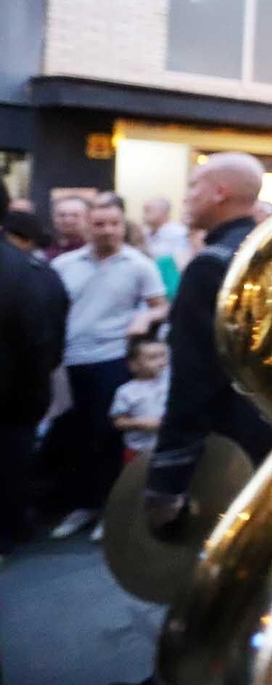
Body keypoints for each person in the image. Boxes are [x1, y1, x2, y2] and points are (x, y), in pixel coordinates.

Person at [145, 152, 272, 536]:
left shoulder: (209, 264)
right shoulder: (264, 251)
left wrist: (168, 477)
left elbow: (193, 379)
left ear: (219, 192)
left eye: (193, 186)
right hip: (266, 430)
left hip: (224, 441)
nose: (186, 197)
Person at [47, 194, 167, 540]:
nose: (106, 230)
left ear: (123, 225)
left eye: (113, 224)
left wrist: (146, 316)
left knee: (108, 438)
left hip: (112, 359)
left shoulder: (139, 264)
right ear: (87, 225)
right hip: (70, 360)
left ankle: (108, 510)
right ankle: (82, 506)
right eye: (99, 224)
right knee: (75, 437)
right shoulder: (64, 265)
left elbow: (160, 306)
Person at [0, 177, 68, 559]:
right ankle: (15, 526)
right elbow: (50, 344)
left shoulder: (31, 272)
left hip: (19, 395)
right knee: (15, 463)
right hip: (23, 397)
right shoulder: (39, 272)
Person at [110, 335, 170, 460]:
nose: (161, 361)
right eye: (152, 358)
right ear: (134, 365)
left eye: (163, 355)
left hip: (168, 447)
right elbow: (118, 421)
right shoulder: (126, 392)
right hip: (138, 450)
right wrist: (142, 423)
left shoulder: (170, 382)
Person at [142, 196, 191, 266]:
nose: (144, 214)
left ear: (163, 211)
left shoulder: (179, 233)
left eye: (148, 210)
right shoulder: (143, 234)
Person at [42, 194, 89, 260]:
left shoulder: (94, 251)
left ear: (88, 218)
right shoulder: (43, 250)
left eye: (75, 215)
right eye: (62, 215)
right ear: (53, 218)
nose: (68, 220)